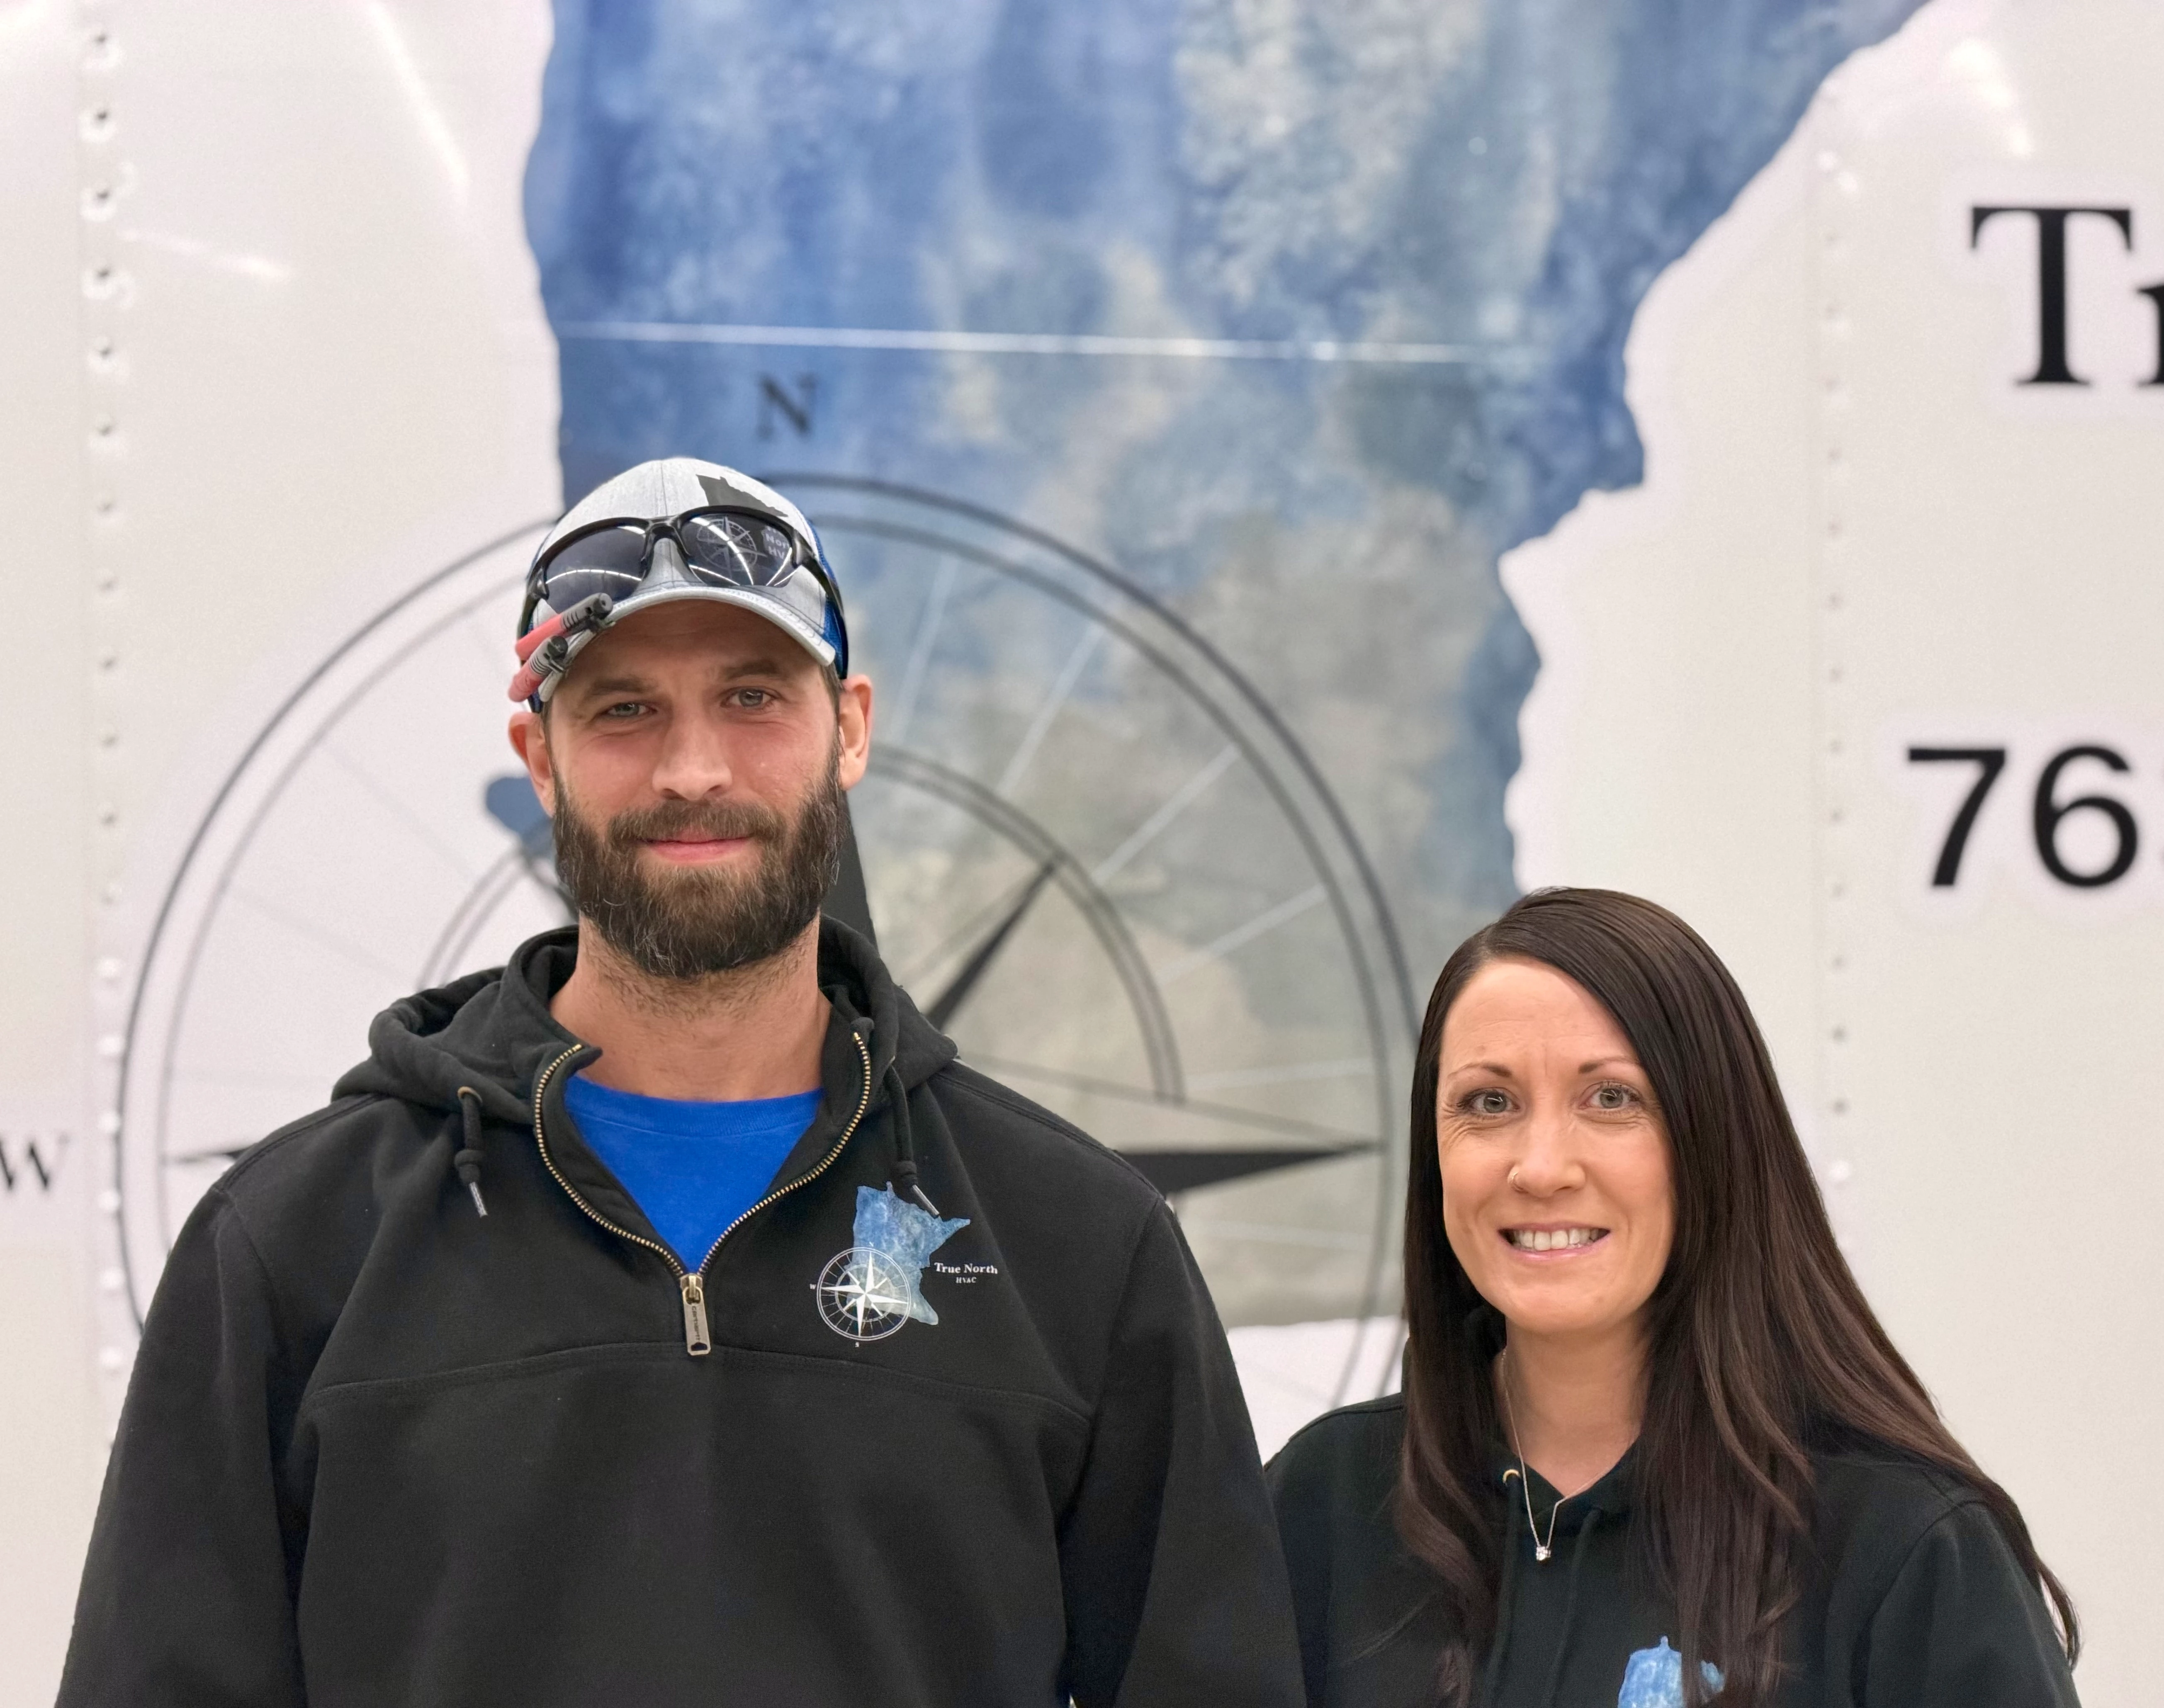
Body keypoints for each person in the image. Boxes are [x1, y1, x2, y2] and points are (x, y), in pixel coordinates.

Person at [61, 459, 1303, 1706]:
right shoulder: (293, 1246)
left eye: (753, 694)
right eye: (622, 710)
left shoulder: (1079, 1247)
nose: (693, 768)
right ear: (537, 756)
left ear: (851, 727)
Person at [1267, 888, 2078, 1707]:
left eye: (1610, 1098)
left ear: (1711, 1141)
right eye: (1489, 1103)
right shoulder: (1317, 1509)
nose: (1541, 1166)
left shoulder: (1902, 1546)